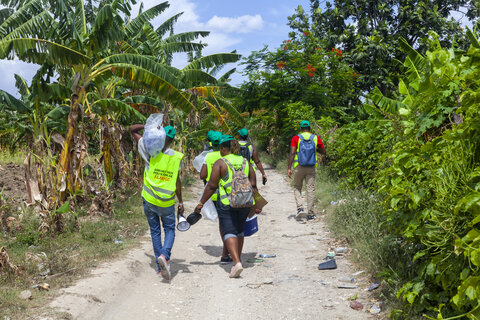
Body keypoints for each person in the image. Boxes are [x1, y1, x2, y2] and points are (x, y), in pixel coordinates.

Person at [194, 135, 259, 278]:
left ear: (224, 148)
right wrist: (257, 204)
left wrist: (201, 203)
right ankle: (238, 258)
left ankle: (236, 263)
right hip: (245, 202)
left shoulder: (221, 163)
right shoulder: (245, 162)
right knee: (239, 230)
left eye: (221, 148)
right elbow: (253, 184)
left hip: (226, 204)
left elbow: (211, 186)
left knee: (229, 231)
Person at [130, 123, 184, 281]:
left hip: (149, 199)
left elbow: (132, 129)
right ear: (173, 140)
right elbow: (177, 181)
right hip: (167, 201)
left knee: (155, 231)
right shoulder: (176, 157)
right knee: (169, 230)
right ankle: (164, 256)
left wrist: (149, 125)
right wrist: (180, 201)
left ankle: (160, 266)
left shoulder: (148, 149)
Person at [199, 131, 232, 264]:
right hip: (231, 193)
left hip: (214, 195)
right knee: (231, 223)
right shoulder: (229, 154)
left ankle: (226, 253)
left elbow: (202, 175)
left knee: (223, 224)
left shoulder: (209, 156)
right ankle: (227, 251)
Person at [287, 120, 326, 222]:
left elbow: (292, 153)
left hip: (299, 166)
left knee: (297, 187)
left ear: (301, 129)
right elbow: (323, 151)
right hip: (311, 167)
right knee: (310, 189)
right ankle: (311, 214)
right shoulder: (315, 138)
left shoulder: (296, 138)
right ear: (309, 128)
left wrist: (289, 168)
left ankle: (300, 208)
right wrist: (315, 149)